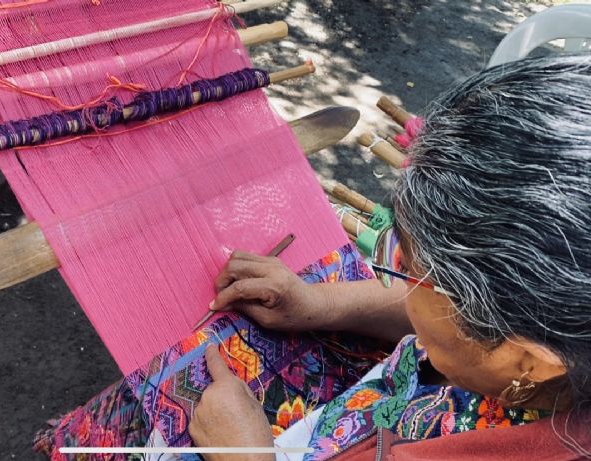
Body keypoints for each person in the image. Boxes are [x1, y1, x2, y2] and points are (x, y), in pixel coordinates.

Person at [189, 54, 591, 460]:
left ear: (528, 360)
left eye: (407, 269)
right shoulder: (553, 344)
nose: (396, 275)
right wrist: (317, 302)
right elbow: (459, 318)